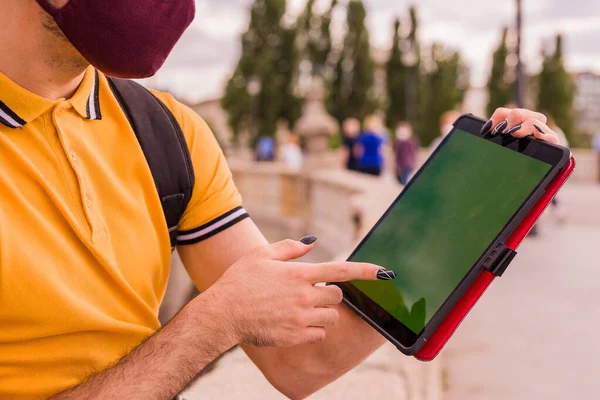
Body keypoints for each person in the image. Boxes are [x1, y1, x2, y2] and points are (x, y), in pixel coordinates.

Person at [0, 1, 561, 398]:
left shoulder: (168, 132)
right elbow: (227, 319)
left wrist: (467, 207)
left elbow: (301, 360)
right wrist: (211, 323)